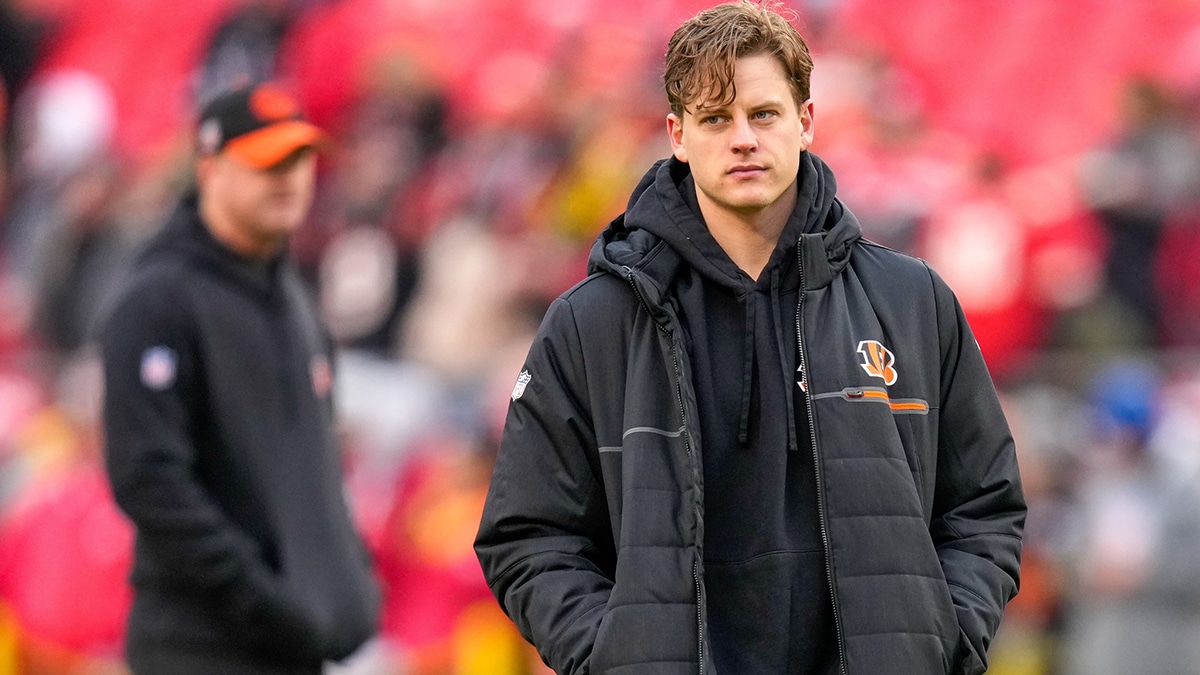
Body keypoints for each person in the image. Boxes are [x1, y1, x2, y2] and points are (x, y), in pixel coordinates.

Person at [473, 2, 1026, 674]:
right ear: (677, 134)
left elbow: (984, 507)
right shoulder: (593, 322)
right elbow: (529, 534)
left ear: (806, 122)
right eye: (715, 118)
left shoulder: (912, 301)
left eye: (763, 113)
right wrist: (613, 656)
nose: (743, 138)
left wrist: (942, 641)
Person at [100, 82, 380, 674]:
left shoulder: (294, 297)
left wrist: (345, 582)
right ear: (209, 169)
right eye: (265, 162)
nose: (288, 178)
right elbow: (148, 481)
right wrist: (269, 599)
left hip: (288, 647)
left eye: (299, 158)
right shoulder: (159, 299)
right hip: (198, 648)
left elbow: (316, 465)